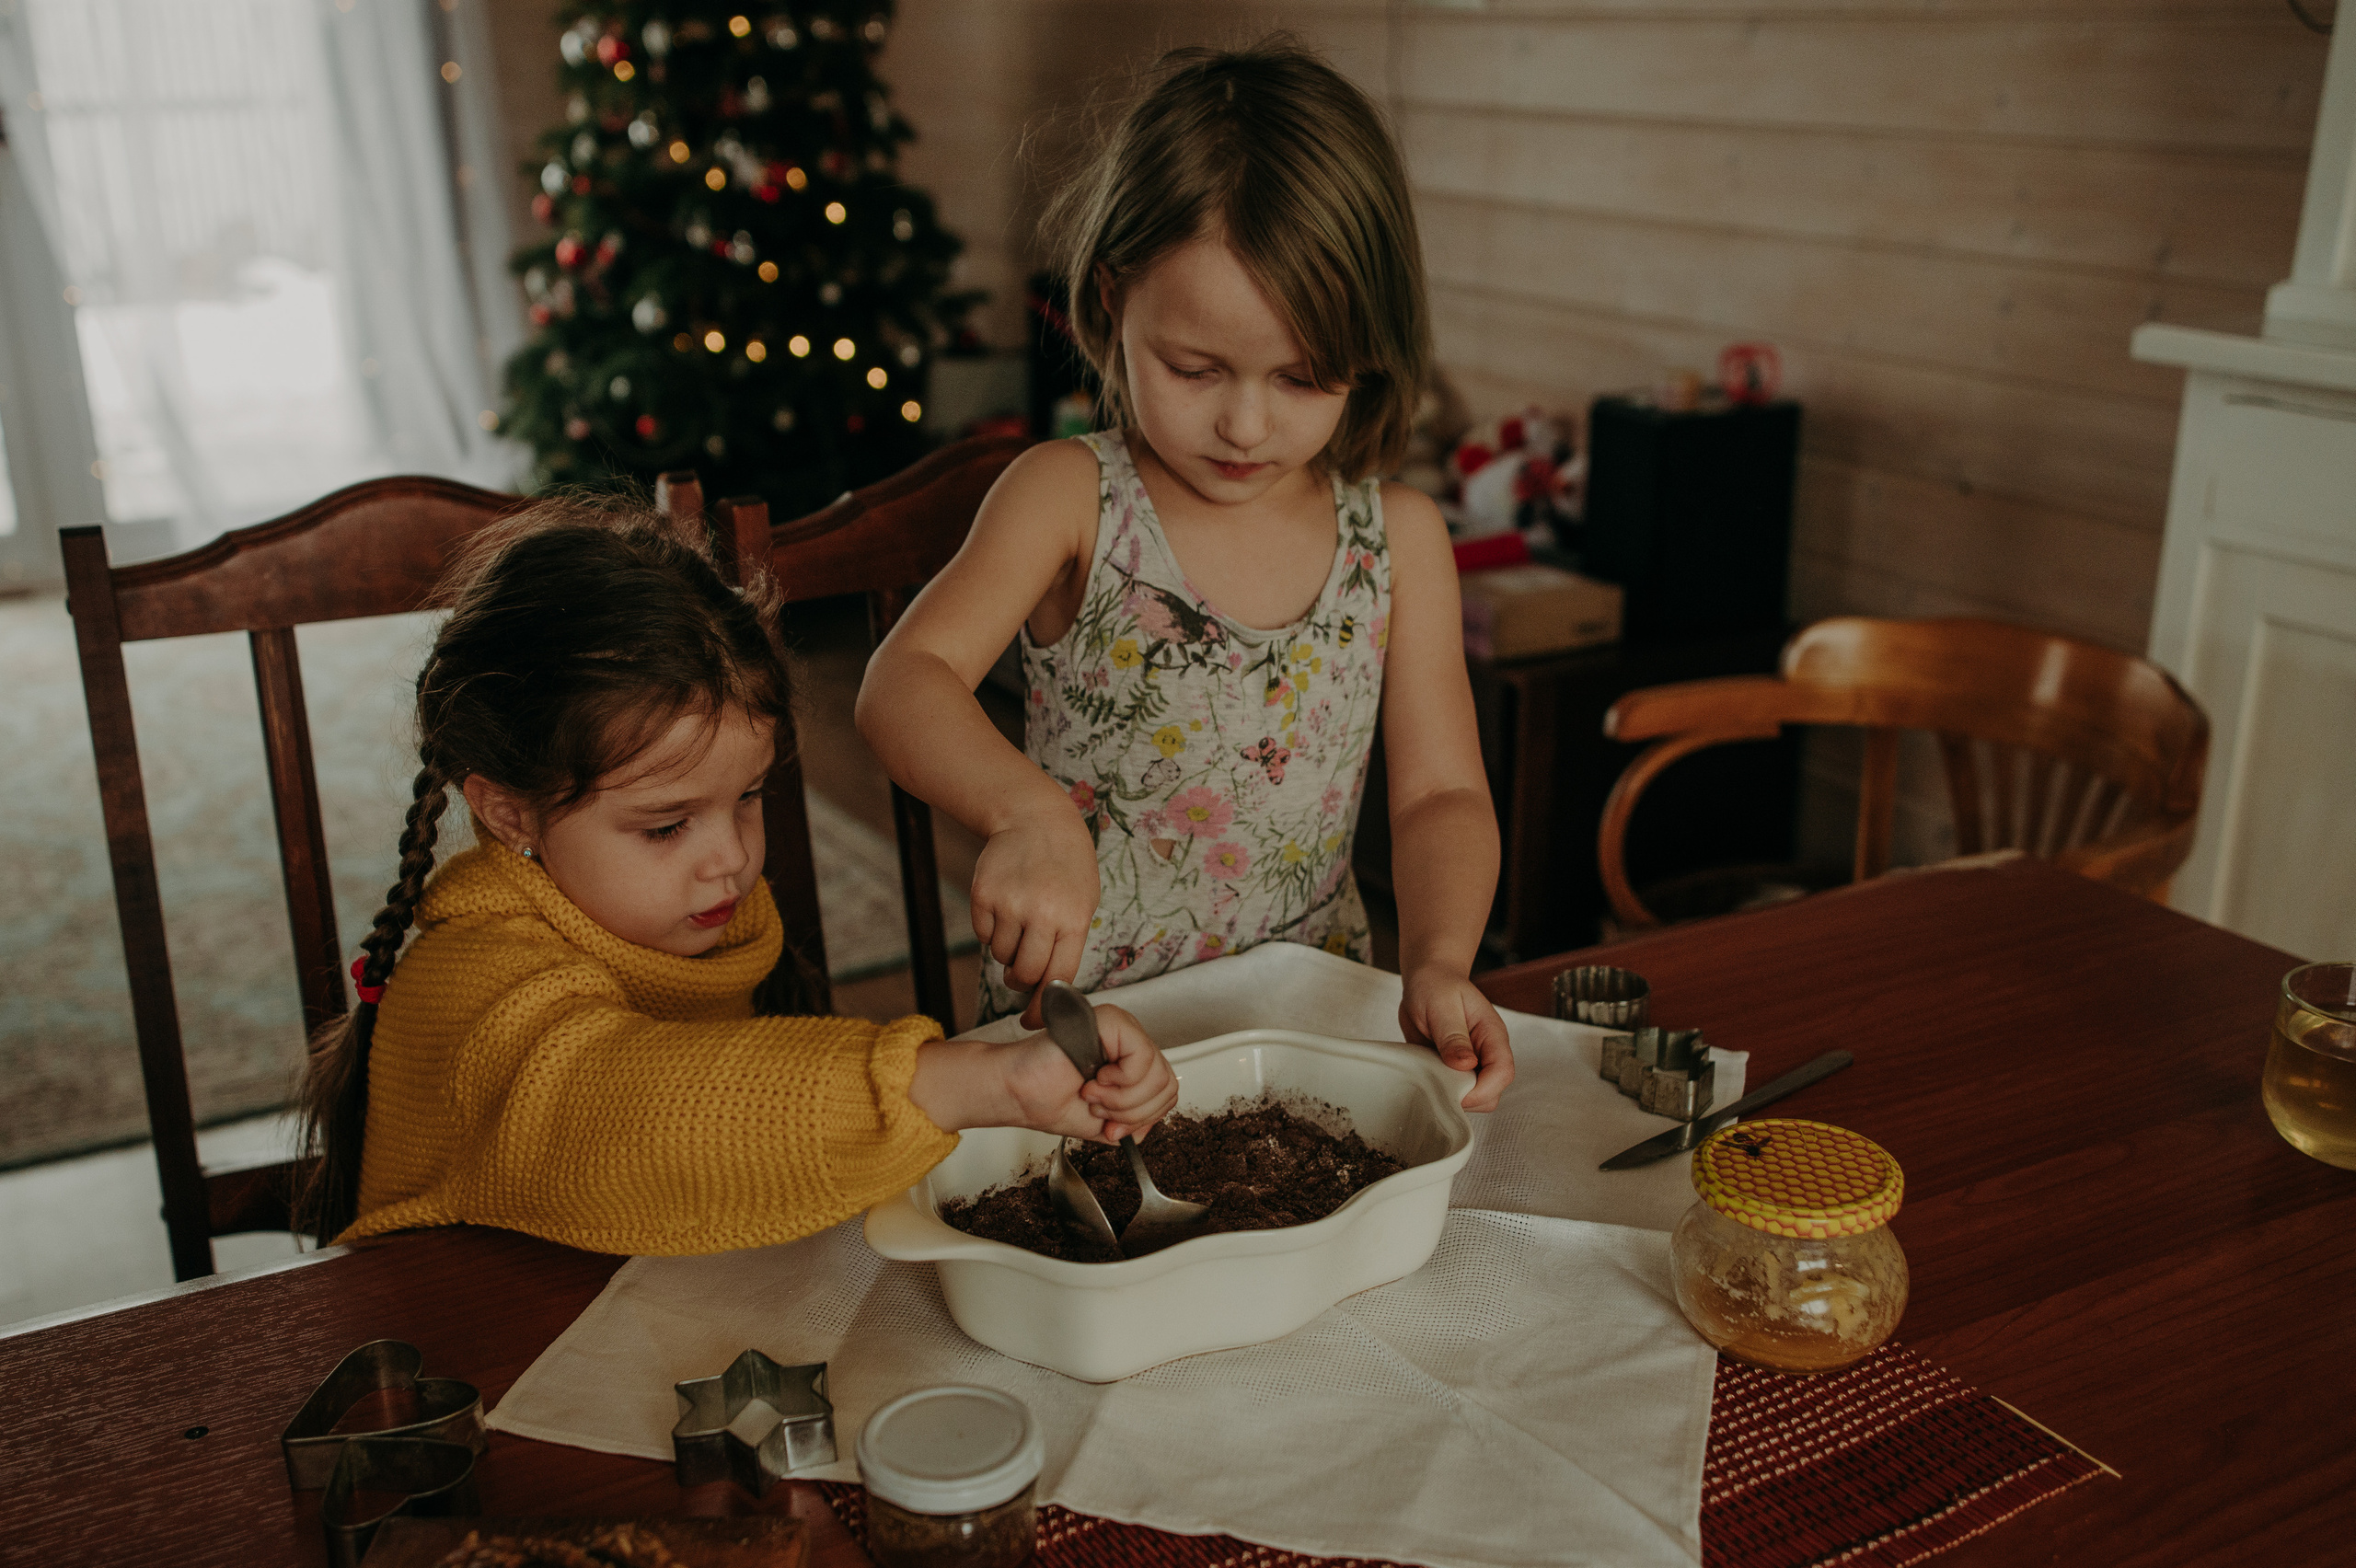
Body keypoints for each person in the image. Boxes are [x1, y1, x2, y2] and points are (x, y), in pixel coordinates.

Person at [857, 40, 1513, 1111]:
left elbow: (1441, 795)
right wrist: (1027, 816)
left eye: (1302, 378)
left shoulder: (1399, 539)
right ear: (1112, 301)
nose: (1244, 425)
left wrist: (1439, 961)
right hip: (1078, 1062)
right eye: (1195, 368)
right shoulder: (1069, 498)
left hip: (1308, 1041)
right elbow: (903, 680)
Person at [296, 497, 1176, 1254]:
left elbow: (752, 1112)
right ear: (510, 813)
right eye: (666, 826)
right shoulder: (467, 980)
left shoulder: (687, 919)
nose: (732, 858)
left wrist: (1019, 1077)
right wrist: (982, 1081)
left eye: (748, 796)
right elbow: (631, 1113)